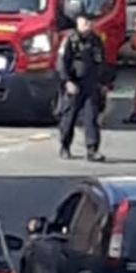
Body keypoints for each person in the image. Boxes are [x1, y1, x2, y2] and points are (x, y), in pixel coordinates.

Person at [57, 12, 106, 162]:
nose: (88, 25)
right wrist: (67, 81)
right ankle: (65, 146)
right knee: (69, 117)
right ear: (78, 22)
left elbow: (101, 62)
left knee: (91, 118)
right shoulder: (70, 40)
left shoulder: (96, 40)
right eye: (85, 22)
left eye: (90, 22)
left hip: (91, 84)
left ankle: (92, 149)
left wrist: (104, 83)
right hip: (74, 84)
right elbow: (62, 62)